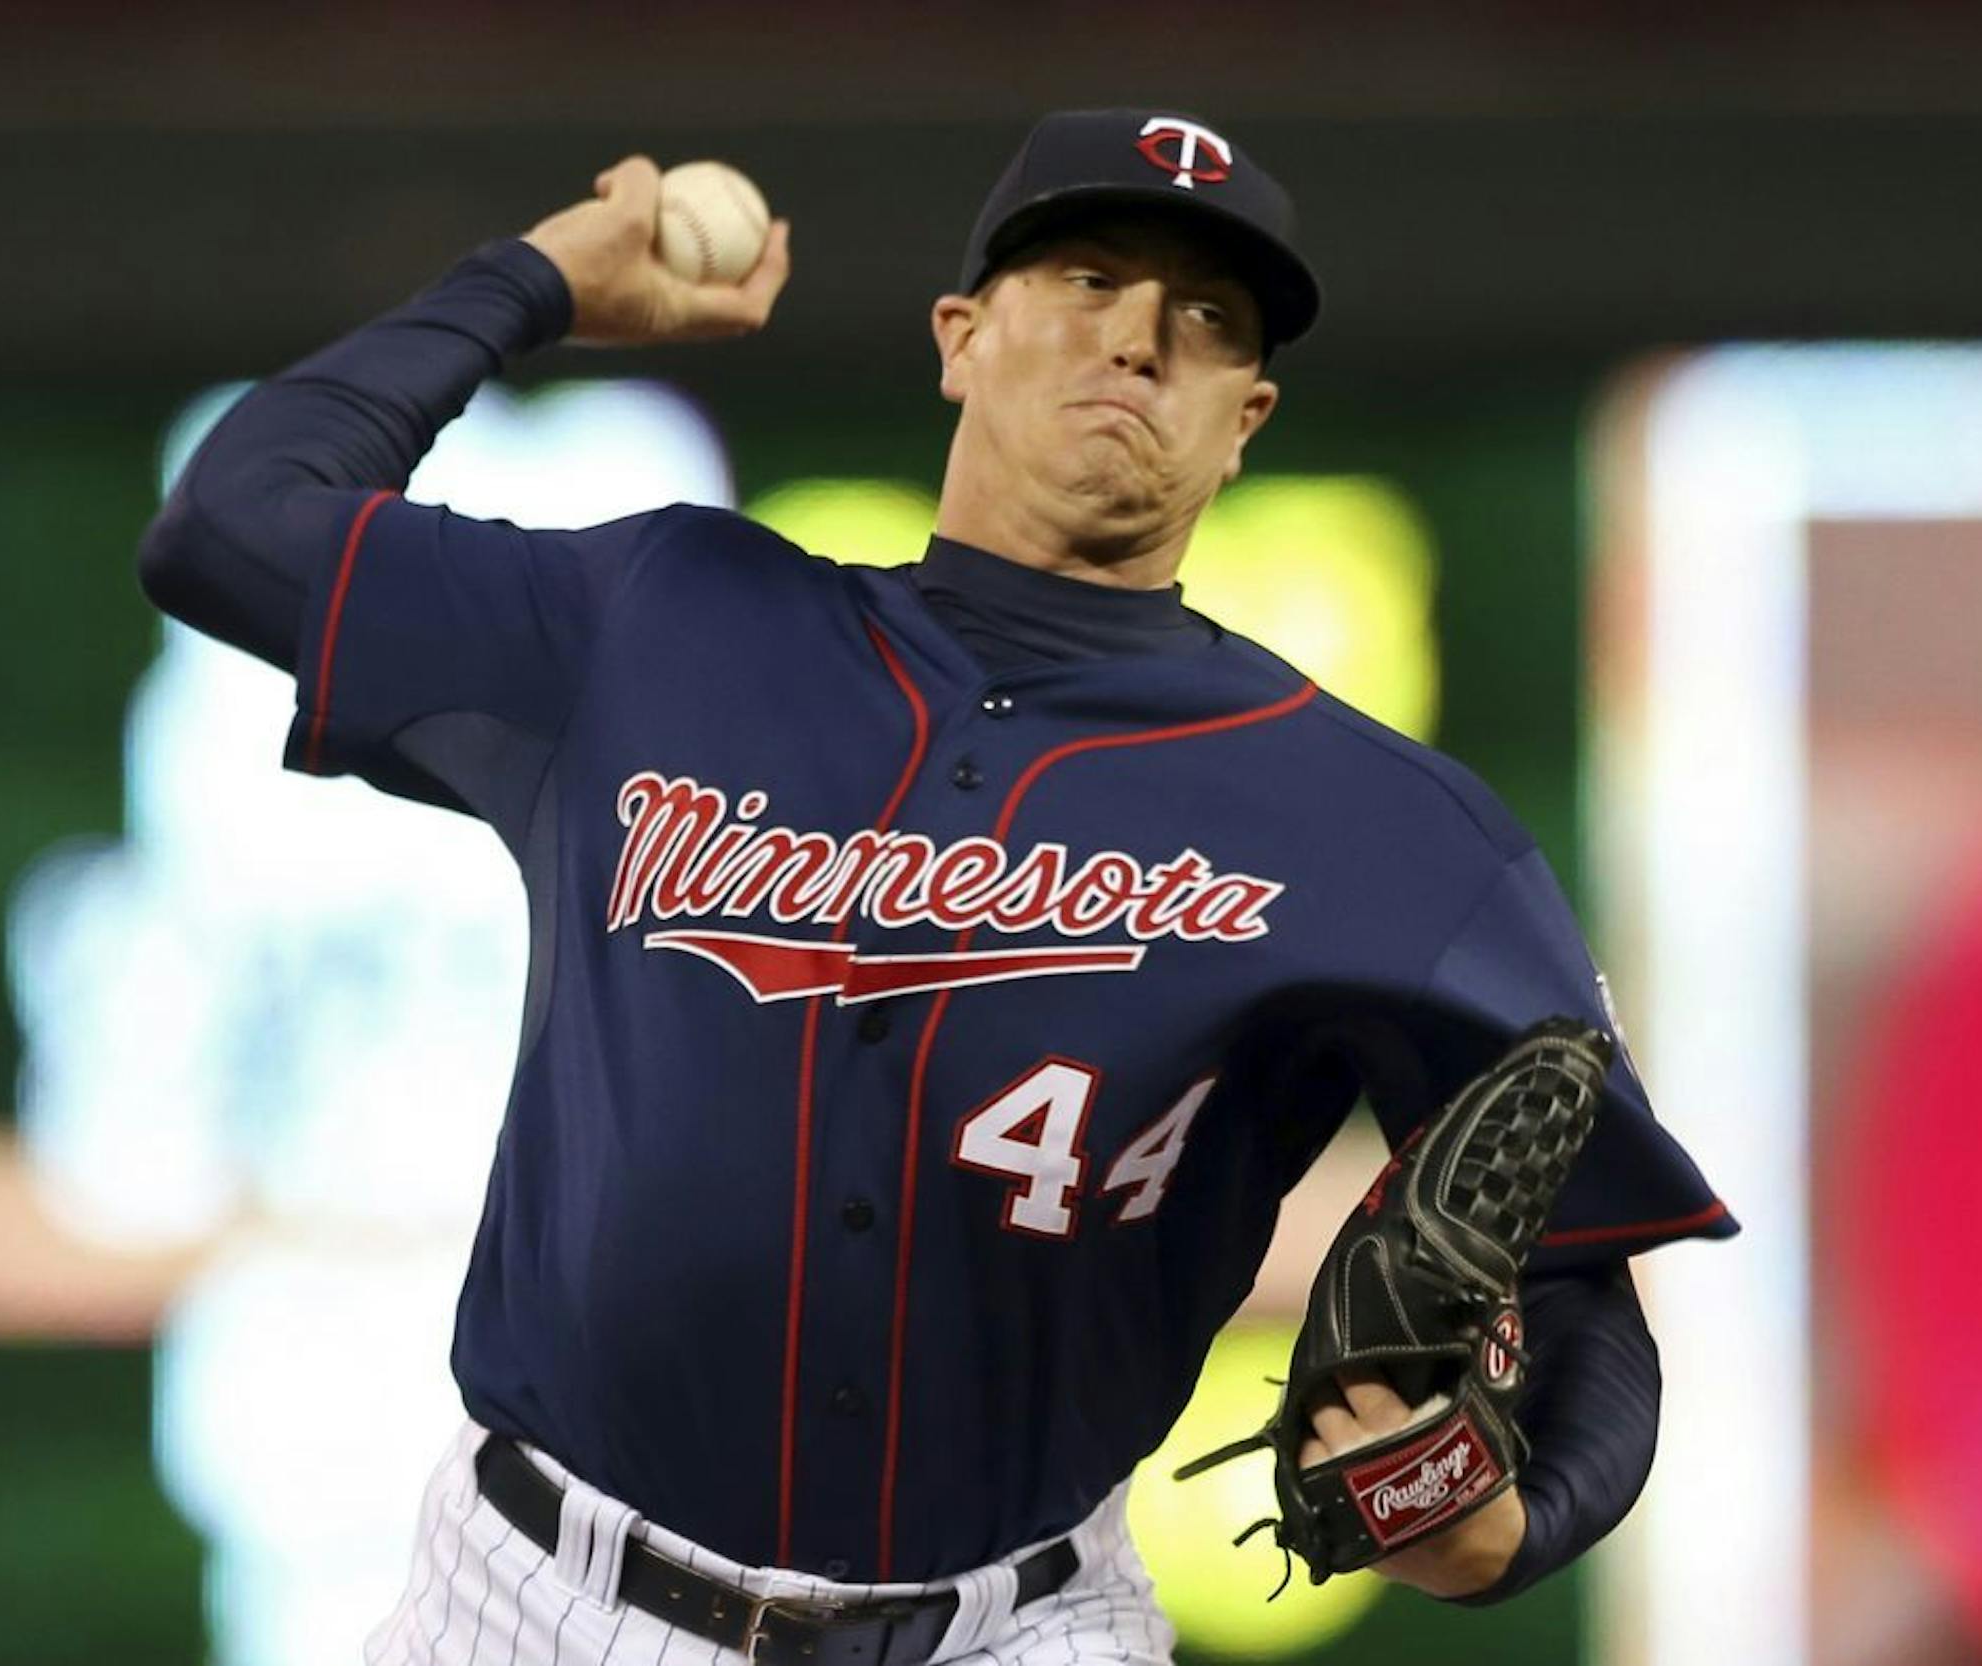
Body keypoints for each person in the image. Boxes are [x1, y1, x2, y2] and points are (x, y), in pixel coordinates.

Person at [138, 108, 1735, 1666]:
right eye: (1088, 279)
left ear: (1245, 417)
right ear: (960, 335)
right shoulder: (661, 619)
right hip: (539, 1598)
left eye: (1204, 316)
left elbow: (1588, 1270)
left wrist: (1508, 1526)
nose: (1136, 339)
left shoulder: (1384, 829)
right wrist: (532, 281)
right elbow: (230, 530)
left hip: (1024, 1618)